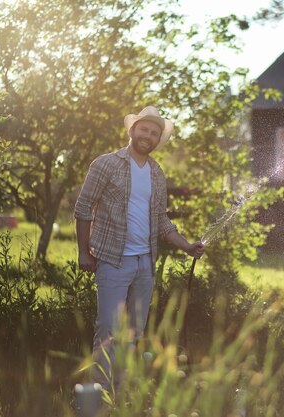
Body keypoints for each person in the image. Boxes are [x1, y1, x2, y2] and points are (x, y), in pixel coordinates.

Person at [74, 106, 204, 389]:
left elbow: (161, 219)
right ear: (132, 131)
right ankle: (98, 395)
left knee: (133, 332)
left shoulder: (157, 173)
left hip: (145, 263)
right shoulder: (105, 164)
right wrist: (84, 252)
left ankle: (120, 392)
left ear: (158, 140)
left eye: (154, 133)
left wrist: (186, 246)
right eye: (144, 129)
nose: (148, 135)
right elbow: (83, 207)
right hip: (113, 260)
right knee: (109, 329)